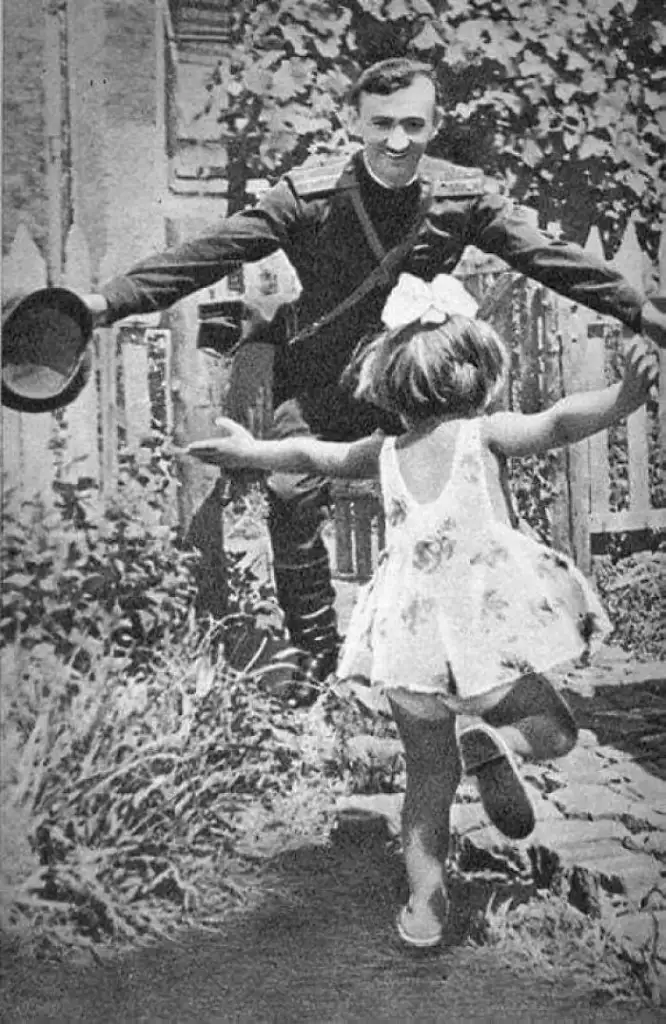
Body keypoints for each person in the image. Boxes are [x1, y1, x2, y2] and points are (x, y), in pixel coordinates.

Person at [82, 56, 666, 700]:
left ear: (434, 124)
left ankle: (460, 657)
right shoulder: (306, 198)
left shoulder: (458, 198)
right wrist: (106, 305)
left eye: (412, 125)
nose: (396, 141)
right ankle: (319, 663)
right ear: (354, 122)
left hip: (410, 382)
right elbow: (210, 253)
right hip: (321, 380)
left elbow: (545, 256)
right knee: (290, 488)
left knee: (452, 502)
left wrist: (637, 309)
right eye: (381, 123)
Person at [184, 273, 657, 948]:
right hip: (480, 622)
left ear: (391, 384)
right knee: (554, 730)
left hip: (408, 635)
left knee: (427, 782)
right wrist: (625, 396)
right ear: (480, 375)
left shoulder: (383, 453)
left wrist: (247, 452)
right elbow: (558, 423)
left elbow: (308, 451)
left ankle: (427, 907)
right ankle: (502, 744)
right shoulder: (486, 435)